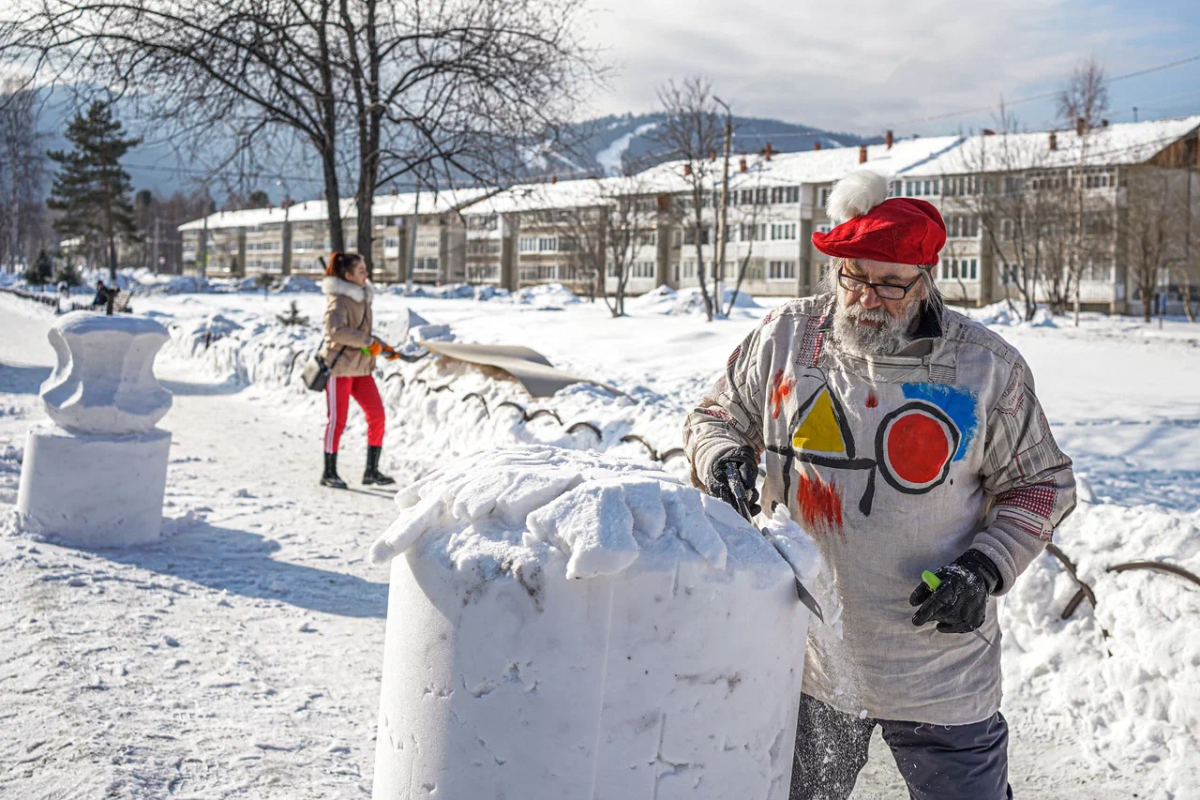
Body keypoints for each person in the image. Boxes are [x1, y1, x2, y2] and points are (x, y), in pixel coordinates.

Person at [683, 170, 1076, 800]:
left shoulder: (983, 367)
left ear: (926, 280)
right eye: (855, 278)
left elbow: (1040, 483)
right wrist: (722, 453)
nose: (868, 297)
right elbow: (715, 415)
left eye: (891, 284)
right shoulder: (787, 339)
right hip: (810, 661)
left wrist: (983, 568)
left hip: (937, 670)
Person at [319, 251, 395, 489]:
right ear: (348, 275)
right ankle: (329, 472)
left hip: (361, 369)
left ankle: (371, 471)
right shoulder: (338, 300)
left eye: (366, 270)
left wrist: (381, 346)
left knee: (378, 415)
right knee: (337, 421)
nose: (367, 274)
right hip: (339, 368)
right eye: (362, 270)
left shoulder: (363, 297)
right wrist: (367, 342)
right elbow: (336, 331)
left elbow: (363, 334)